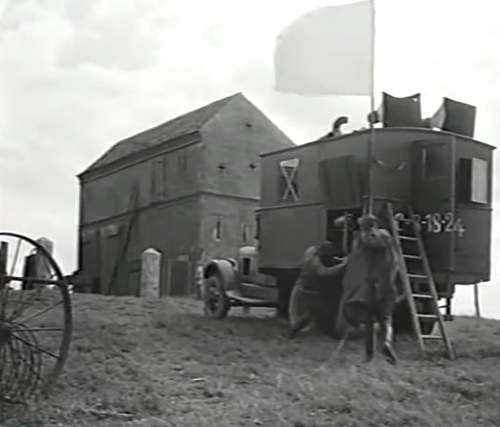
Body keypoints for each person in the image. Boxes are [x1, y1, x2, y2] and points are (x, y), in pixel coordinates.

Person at [336, 214, 402, 364]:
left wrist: (354, 231)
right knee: (386, 320)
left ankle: (368, 356)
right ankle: (386, 342)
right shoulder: (385, 236)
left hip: (369, 286)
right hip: (386, 284)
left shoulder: (363, 240)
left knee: (369, 322)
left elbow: (352, 254)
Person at [288, 242, 346, 339]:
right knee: (321, 311)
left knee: (311, 313)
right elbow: (324, 272)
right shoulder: (315, 261)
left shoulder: (311, 256)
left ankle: (294, 330)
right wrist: (342, 266)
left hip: (304, 288)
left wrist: (341, 261)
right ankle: (331, 333)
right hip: (308, 289)